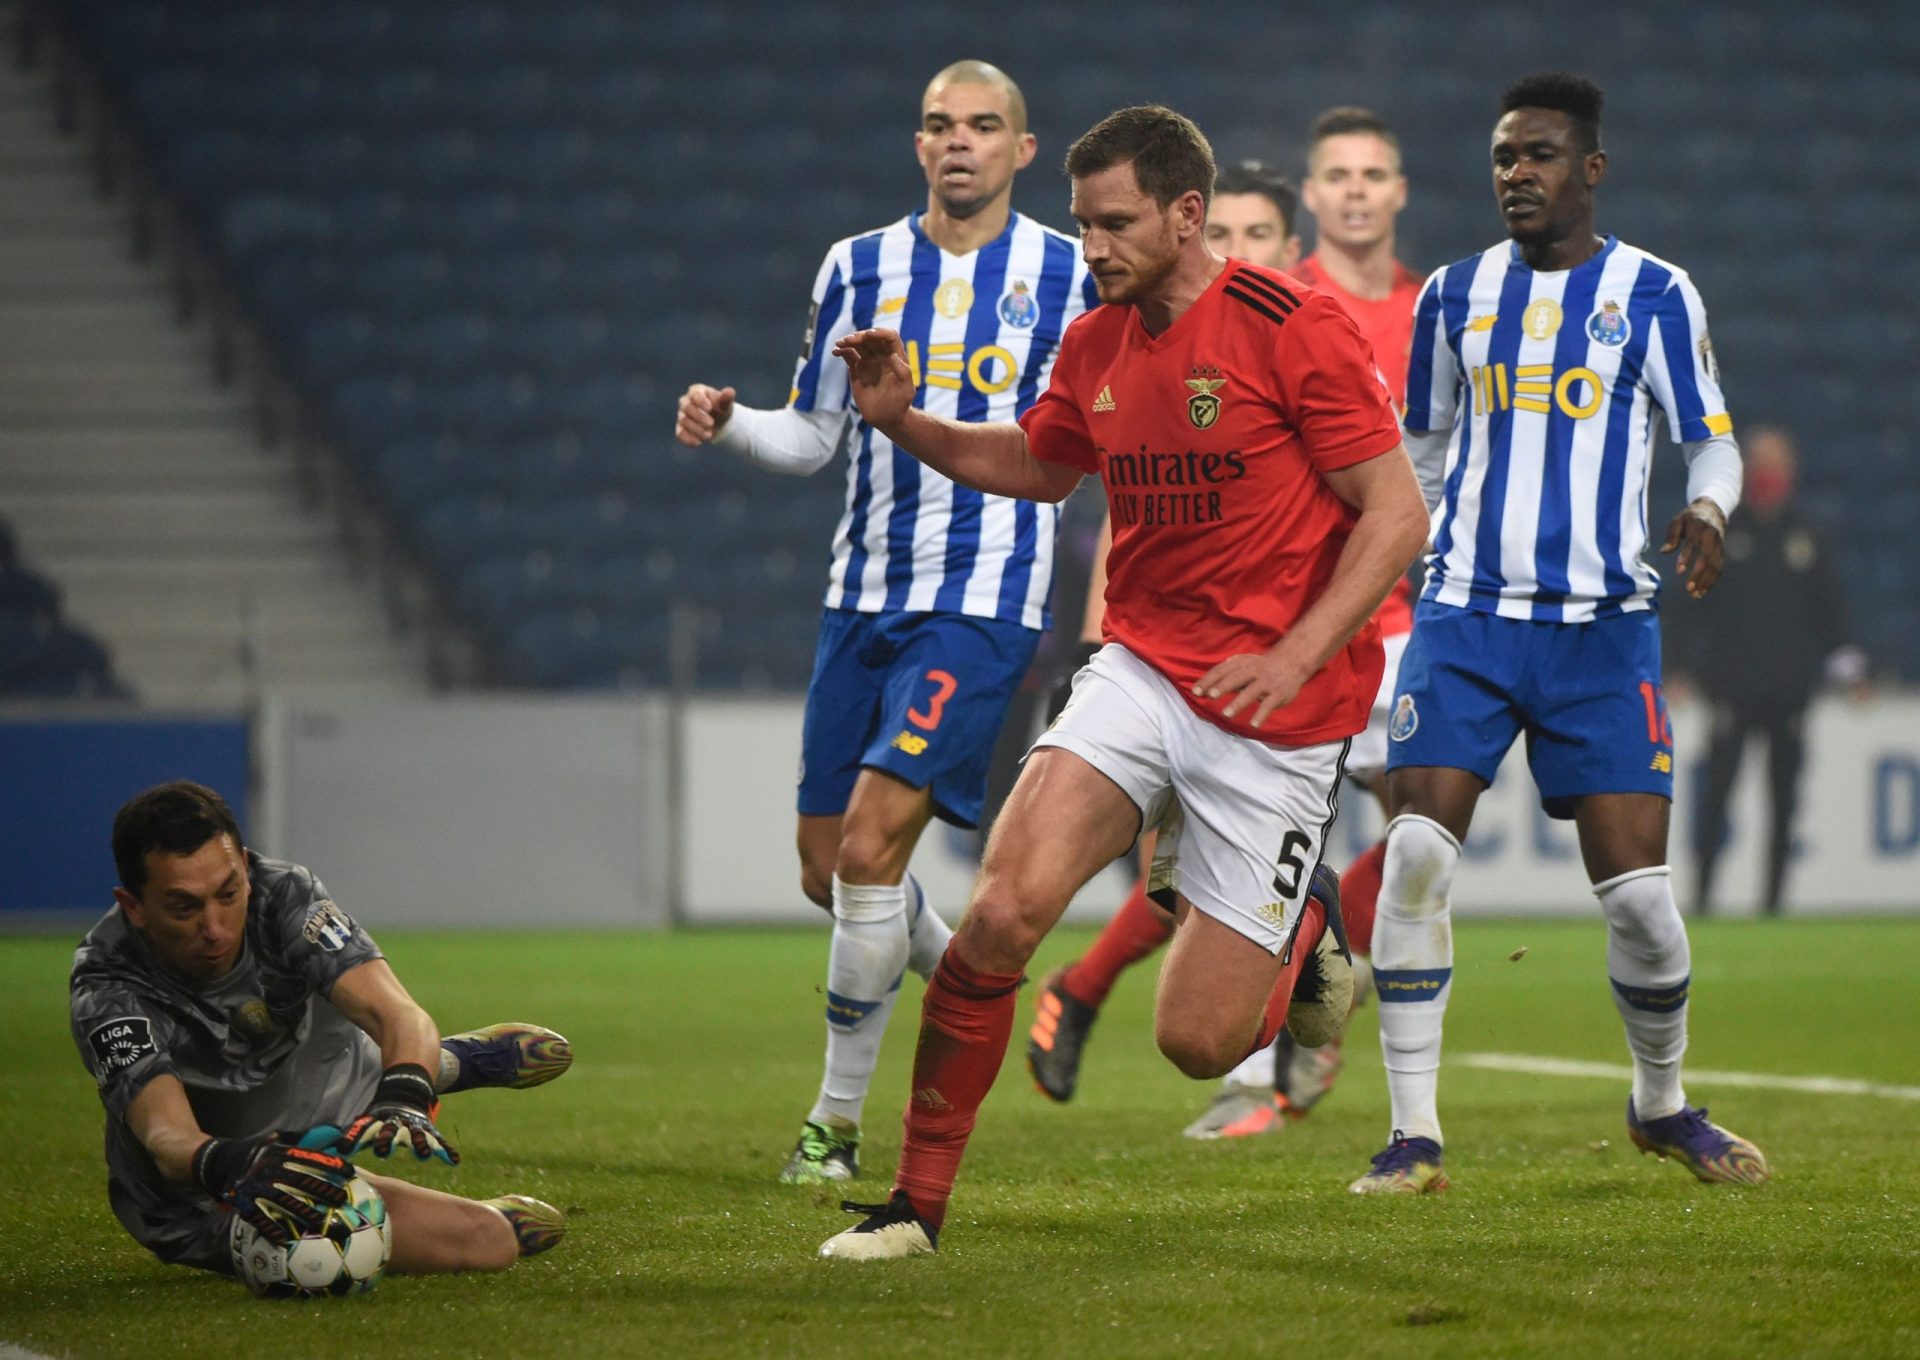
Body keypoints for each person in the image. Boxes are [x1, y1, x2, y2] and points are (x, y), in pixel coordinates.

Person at [817, 103, 1429, 1259]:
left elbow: (1396, 514)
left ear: (1187, 215)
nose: (1089, 247)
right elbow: (1044, 467)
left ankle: (1303, 930)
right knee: (999, 912)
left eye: (1114, 225)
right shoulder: (1095, 340)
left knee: (1200, 1043)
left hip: (1282, 713)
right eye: (1081, 223)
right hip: (1144, 667)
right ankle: (915, 1206)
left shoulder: (1292, 323)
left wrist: (1296, 651)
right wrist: (905, 423)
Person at [673, 61, 1097, 1186]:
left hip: (984, 600)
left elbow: (1088, 436)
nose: (959, 143)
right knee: (830, 873)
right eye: (939, 126)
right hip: (859, 599)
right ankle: (963, 967)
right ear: (919, 146)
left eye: (983, 126)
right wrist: (726, 424)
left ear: (1021, 146)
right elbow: (814, 439)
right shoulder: (857, 266)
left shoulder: (1066, 273)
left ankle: (833, 1126)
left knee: (867, 849)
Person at [1355, 72, 1768, 1195]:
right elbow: (1422, 456)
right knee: (1415, 855)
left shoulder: (1657, 294)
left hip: (1601, 633)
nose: (1515, 175)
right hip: (1468, 619)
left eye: (1538, 156)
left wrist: (1711, 506)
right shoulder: (1451, 296)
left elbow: (1712, 441)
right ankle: (1413, 1134)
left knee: (1639, 900)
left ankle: (1661, 1101)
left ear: (1590, 169)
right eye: (1502, 157)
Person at [1028, 125, 1424, 1143]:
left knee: (1427, 818)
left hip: (1382, 619)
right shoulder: (1218, 324)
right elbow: (1140, 494)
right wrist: (1092, 637)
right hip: (1217, 644)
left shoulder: (1406, 312)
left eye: (1371, 173)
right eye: (1338, 171)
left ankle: (1287, 972)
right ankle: (1202, 1007)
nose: (1355, 191)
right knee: (1194, 876)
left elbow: (1410, 483)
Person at [69, 781, 572, 1282]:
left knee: (345, 1010)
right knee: (489, 1242)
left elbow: (396, 1014)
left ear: (245, 867)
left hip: (313, 1073)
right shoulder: (109, 985)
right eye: (184, 907)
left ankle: (443, 1064)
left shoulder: (283, 894)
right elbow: (167, 1139)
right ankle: (473, 1203)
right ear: (134, 906)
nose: (216, 928)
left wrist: (406, 1095)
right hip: (212, 1186)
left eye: (228, 894)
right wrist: (232, 1163)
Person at [1668, 424, 1862, 915]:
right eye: (1763, 466)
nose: (1770, 475)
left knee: (1784, 806)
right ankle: (1704, 902)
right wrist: (1677, 667)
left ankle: (1774, 906)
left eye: (1778, 466)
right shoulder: (1725, 534)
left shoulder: (1807, 536)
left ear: (1791, 472)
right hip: (1730, 690)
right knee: (1715, 803)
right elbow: (1689, 607)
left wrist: (1852, 673)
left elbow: (1832, 615)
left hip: (1789, 693)